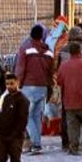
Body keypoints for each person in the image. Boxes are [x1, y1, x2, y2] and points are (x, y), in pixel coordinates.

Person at [14, 23, 54, 154]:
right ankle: (37, 144)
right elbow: (50, 73)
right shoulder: (48, 52)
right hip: (43, 87)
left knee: (26, 116)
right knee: (36, 116)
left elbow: (21, 68)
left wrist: (17, 85)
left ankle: (36, 144)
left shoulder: (25, 48)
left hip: (28, 87)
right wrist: (49, 88)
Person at [56, 42, 82, 155]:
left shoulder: (63, 66)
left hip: (69, 102)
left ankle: (73, 147)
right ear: (81, 52)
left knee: (72, 126)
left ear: (70, 53)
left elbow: (59, 81)